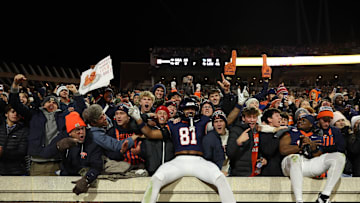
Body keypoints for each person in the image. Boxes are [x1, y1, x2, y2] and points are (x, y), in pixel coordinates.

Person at [129, 97, 236, 203]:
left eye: (192, 108)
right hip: (178, 161)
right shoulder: (174, 124)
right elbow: (151, 134)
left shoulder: (202, 121)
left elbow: (224, 121)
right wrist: (138, 118)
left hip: (199, 161)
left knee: (220, 178)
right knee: (157, 178)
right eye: (187, 109)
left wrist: (239, 105)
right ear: (182, 110)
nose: (190, 111)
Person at [9, 74, 86, 175]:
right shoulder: (34, 115)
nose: (51, 103)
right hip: (37, 163)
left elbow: (81, 111)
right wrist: (15, 84)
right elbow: (15, 104)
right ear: (42, 105)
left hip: (58, 162)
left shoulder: (64, 116)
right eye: (48, 102)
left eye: (54, 103)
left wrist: (76, 93)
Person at [56, 111, 103, 195]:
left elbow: (97, 166)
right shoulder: (66, 143)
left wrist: (87, 179)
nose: (81, 132)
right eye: (77, 130)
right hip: (67, 182)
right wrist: (60, 149)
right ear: (70, 133)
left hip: (86, 180)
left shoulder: (92, 144)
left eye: (82, 128)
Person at [226, 106, 266, 177]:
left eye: (254, 117)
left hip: (254, 172)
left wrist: (262, 158)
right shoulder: (236, 130)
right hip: (240, 173)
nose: (252, 120)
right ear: (243, 118)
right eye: (249, 117)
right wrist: (238, 142)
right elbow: (229, 152)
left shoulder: (255, 131)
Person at [0, 105, 29, 175]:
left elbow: (22, 152)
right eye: (12, 112)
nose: (15, 114)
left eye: (17, 112)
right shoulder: (1, 129)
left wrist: (2, 152)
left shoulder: (25, 131)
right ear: (6, 114)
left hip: (17, 171)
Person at [258, 108, 284, 176]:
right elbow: (268, 151)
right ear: (269, 119)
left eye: (280, 116)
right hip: (269, 172)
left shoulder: (283, 131)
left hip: (281, 170)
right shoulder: (263, 133)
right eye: (277, 116)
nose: (280, 117)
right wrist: (277, 135)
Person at [203, 110, 229, 175]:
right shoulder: (208, 139)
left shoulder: (232, 135)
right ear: (213, 125)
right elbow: (207, 161)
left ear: (225, 123)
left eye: (221, 121)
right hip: (216, 173)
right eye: (216, 122)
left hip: (232, 172)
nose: (219, 124)